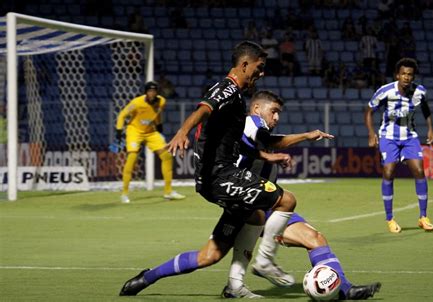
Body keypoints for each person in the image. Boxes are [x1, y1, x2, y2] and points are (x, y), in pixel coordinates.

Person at [119, 41, 297, 297]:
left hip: (218, 176)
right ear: (244, 64)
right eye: (259, 68)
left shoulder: (237, 95)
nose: (261, 73)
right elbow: (204, 108)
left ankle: (148, 277)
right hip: (220, 175)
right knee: (286, 200)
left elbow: (240, 140)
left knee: (212, 253)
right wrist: (182, 130)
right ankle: (265, 262)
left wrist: (268, 155)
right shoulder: (227, 88)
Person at [223, 90, 382, 300]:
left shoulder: (258, 132)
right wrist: (306, 136)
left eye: (279, 113)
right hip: (249, 202)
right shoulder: (252, 122)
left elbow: (269, 142)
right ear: (256, 109)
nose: (277, 117)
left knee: (315, 238)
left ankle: (344, 288)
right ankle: (259, 266)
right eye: (274, 111)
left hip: (268, 204)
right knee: (207, 257)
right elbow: (271, 142)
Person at [364, 58, 433, 233]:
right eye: (403, 74)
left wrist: (430, 129)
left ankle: (423, 217)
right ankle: (389, 218)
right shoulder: (385, 91)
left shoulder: (419, 92)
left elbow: (426, 109)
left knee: (419, 171)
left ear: (413, 77)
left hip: (410, 137)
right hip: (388, 137)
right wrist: (371, 133)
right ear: (397, 75)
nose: (406, 77)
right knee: (388, 172)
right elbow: (368, 111)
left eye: (410, 74)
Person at [115, 81, 185, 203]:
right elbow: (122, 115)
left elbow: (157, 113)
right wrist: (119, 131)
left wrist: (159, 124)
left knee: (167, 156)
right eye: (150, 91)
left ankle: (168, 192)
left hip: (150, 132)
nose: (152, 93)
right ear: (146, 92)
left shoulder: (161, 101)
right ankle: (124, 193)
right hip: (135, 131)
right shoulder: (137, 102)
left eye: (154, 91)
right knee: (132, 157)